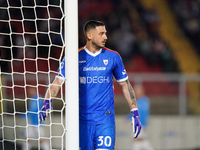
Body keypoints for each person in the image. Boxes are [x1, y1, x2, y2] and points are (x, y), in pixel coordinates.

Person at [39, 20, 141, 150]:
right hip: (82, 121)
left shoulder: (113, 57)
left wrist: (134, 111)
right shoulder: (74, 57)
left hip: (105, 120)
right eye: (101, 34)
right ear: (89, 35)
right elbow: (57, 82)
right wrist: (47, 101)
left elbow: (125, 85)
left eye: (105, 33)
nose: (106, 37)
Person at [127, 85, 154, 150]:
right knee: (140, 140)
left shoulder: (142, 101)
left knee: (138, 140)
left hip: (140, 124)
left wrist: (127, 118)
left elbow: (139, 113)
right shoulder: (142, 101)